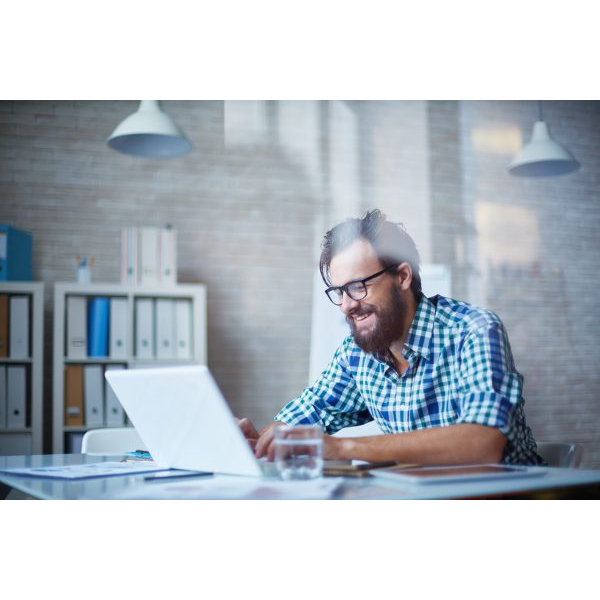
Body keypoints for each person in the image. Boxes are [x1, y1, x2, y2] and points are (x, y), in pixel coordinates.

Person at [239, 209, 543, 466]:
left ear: (402, 276)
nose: (346, 305)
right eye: (339, 292)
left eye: (358, 286)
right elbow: (306, 416)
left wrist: (341, 448)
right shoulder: (357, 353)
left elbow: (483, 442)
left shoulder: (474, 330)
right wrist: (261, 439)